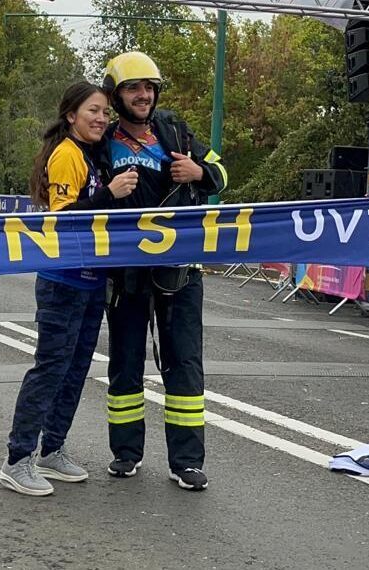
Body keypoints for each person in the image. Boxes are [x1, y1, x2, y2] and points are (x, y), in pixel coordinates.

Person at [0, 82, 138, 496]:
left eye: (105, 113)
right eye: (92, 111)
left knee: (76, 369)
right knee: (51, 368)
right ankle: (17, 459)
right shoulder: (67, 155)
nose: (100, 119)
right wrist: (109, 195)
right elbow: (64, 220)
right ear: (70, 115)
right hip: (63, 282)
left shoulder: (93, 156)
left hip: (92, 281)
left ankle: (52, 449)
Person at [96, 52, 227, 491]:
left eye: (149, 87)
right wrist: (108, 192)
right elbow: (81, 197)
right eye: (134, 88)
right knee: (126, 363)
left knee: (184, 365)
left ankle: (187, 461)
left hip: (180, 272)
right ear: (117, 95)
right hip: (125, 272)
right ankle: (125, 453)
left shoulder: (176, 131)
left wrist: (200, 172)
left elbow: (223, 173)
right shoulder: (102, 141)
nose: (143, 95)